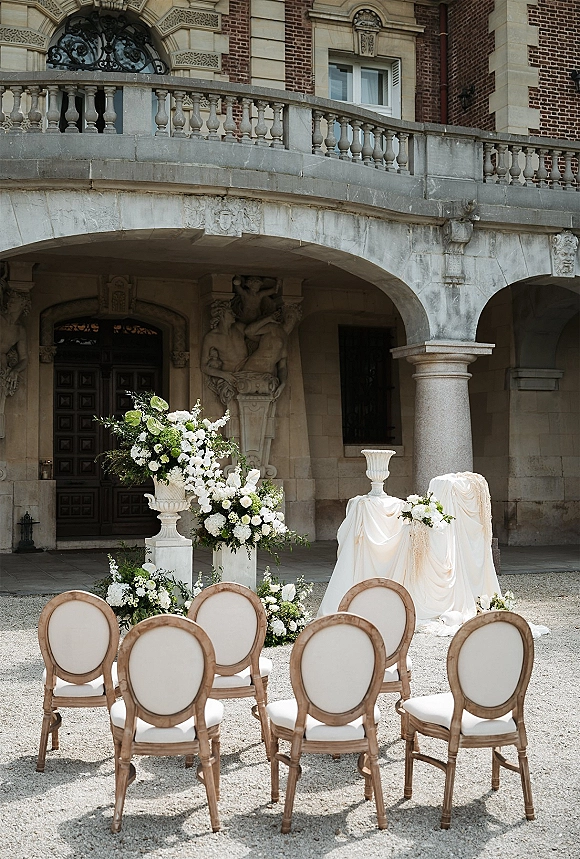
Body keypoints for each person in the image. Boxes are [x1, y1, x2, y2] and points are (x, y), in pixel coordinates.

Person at [242, 304, 301, 399]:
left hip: (268, 376)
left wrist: (283, 383)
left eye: (292, 316)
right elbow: (248, 331)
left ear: (297, 319)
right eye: (288, 316)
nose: (290, 319)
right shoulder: (274, 328)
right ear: (284, 317)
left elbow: (282, 366)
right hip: (253, 369)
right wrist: (268, 319)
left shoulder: (286, 338)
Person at [201, 300, 248, 404]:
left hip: (247, 371)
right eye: (230, 312)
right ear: (222, 314)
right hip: (230, 377)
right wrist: (224, 375)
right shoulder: (211, 337)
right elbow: (204, 366)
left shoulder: (240, 328)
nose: (234, 314)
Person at [0, 284, 30, 438]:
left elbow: (24, 359)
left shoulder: (20, 330)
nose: (8, 303)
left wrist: (15, 370)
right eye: (9, 300)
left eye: (13, 301)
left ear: (23, 304)